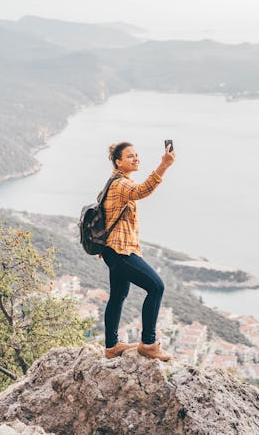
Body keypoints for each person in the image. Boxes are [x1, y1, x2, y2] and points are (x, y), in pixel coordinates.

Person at [101, 141, 176, 361]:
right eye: (130, 156)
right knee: (156, 287)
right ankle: (149, 344)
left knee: (118, 295)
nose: (136, 158)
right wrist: (164, 165)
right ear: (118, 161)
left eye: (136, 155)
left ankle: (111, 346)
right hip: (120, 251)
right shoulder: (120, 184)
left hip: (113, 250)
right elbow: (142, 190)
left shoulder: (116, 182)